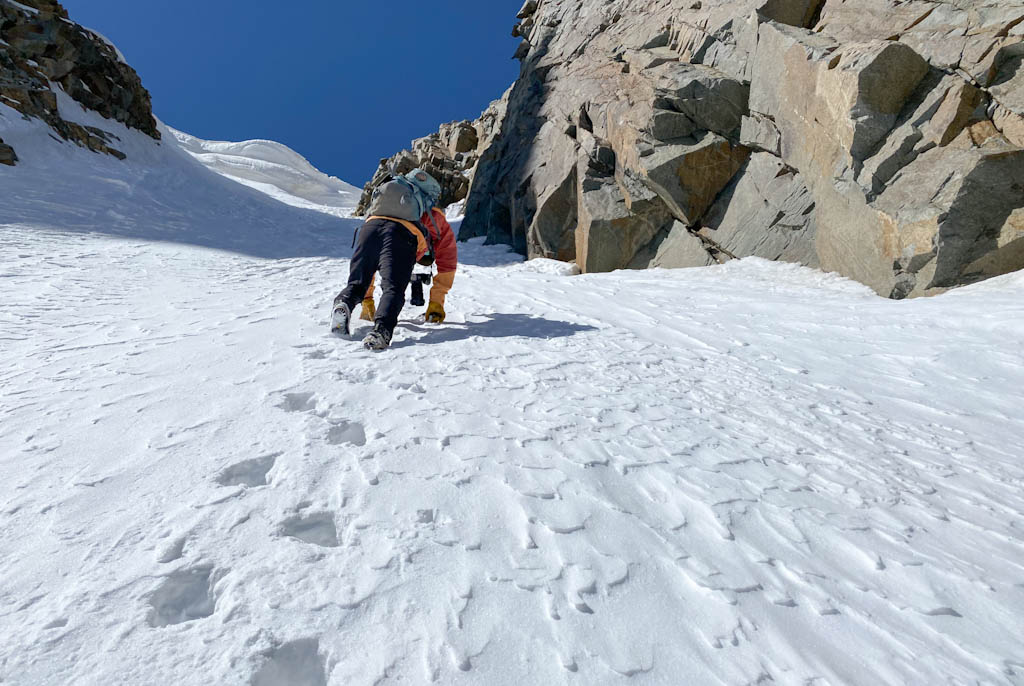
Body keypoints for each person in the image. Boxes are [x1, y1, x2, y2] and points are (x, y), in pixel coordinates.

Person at [331, 170, 457, 350]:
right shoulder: (432, 215)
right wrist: (437, 301)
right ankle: (381, 332)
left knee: (358, 281)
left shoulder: (384, 202)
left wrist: (367, 299)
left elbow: (370, 269)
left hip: (369, 229)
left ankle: (344, 303)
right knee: (393, 288)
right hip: (400, 235)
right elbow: (448, 260)